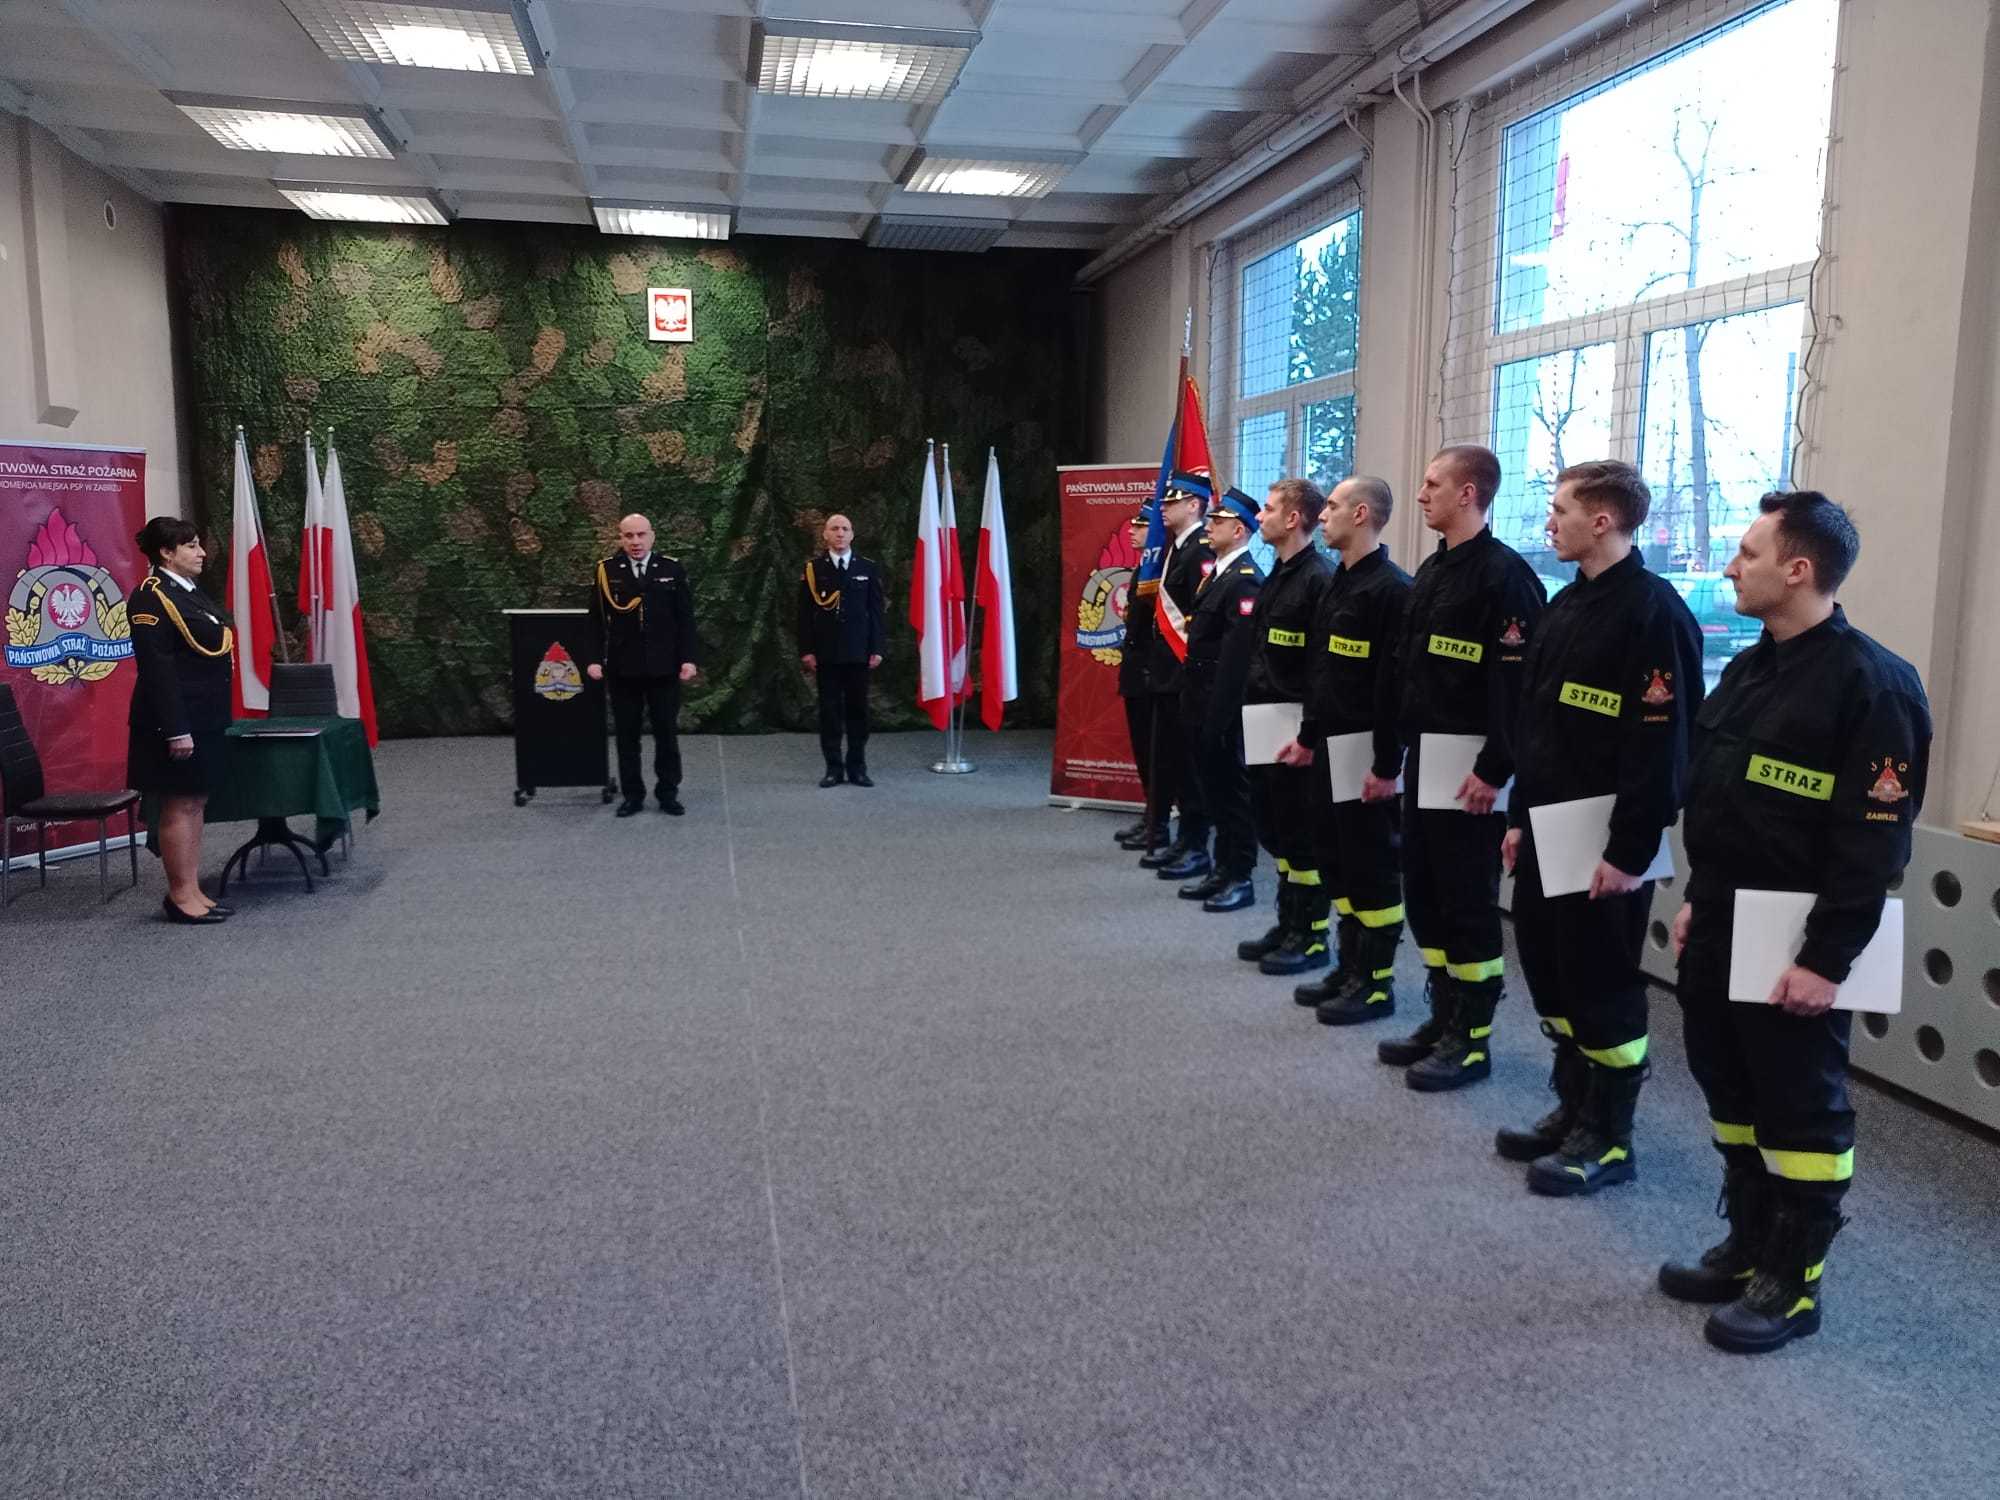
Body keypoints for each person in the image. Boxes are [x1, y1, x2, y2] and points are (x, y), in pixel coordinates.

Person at [1661, 491, 1928, 1354]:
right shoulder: (1750, 670)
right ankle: (1749, 1242)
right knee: (1729, 1086)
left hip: (1798, 939)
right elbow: (1726, 802)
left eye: (1747, 553)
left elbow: (1873, 845)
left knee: (1801, 1109)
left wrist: (1826, 961)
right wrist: (1699, 900)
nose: (1731, 567)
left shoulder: (1874, 685)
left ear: (1798, 569)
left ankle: (1795, 1278)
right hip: (1725, 918)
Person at [1495, 462, 1703, 1195]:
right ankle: (1573, 1107)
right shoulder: (1566, 604)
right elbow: (1537, 725)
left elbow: (1662, 747)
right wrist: (1518, 818)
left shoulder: (1654, 614)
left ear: (1603, 520)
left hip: (1607, 840)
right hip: (1547, 826)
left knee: (1601, 983)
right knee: (1551, 972)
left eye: (1560, 510)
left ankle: (1610, 1138)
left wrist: (1629, 851)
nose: (1549, 522)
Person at [1371, 445, 1544, 1090]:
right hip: (1427, 762)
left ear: (1468, 493)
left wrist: (1495, 769)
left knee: (1467, 903)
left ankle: (1471, 1041)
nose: (1421, 495)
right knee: (1426, 894)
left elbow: (1516, 688)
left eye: (1432, 484)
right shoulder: (1434, 570)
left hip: (1473, 773)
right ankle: (1444, 1019)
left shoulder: (1505, 577)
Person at [1281, 476, 1413, 1024]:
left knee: (1371, 866)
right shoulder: (1340, 580)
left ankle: (1376, 983)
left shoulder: (1392, 590)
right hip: (1331, 745)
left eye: (1332, 506)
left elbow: (1393, 686)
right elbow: (1324, 670)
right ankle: (1350, 966)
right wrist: (1310, 736)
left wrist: (1387, 764)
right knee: (1336, 860)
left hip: (1366, 751)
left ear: (1360, 515)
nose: (1322, 514)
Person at [1236, 477, 1336, 975]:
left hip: (1295, 724)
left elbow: (1321, 667)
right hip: (1264, 716)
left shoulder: (1318, 578)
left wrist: (1309, 734)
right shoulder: (1278, 573)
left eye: (1270, 509)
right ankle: (1288, 921)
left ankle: (1311, 935)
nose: (1260, 516)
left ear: (1294, 519)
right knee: (1275, 830)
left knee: (1302, 834)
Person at [127, 516, 234, 925]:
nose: (201, 553)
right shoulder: (151, 598)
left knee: (195, 801)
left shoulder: (187, 592)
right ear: (166, 553)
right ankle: (179, 895)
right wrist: (177, 730)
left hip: (203, 716)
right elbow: (158, 669)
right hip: (174, 722)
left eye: (199, 544)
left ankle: (192, 888)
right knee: (179, 803)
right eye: (191, 546)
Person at [1175, 487, 1264, 912]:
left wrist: (1220, 716)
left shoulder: (1245, 579)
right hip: (1200, 697)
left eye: (1218, 521)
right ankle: (1222, 867)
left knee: (1233, 793)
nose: (1209, 525)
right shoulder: (1218, 574)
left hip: (1221, 704)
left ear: (1239, 530)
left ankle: (1240, 874)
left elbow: (1236, 657)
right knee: (1214, 790)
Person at [587, 513, 697, 816]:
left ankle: (668, 792)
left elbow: (685, 619)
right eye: (629, 536)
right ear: (621, 539)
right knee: (627, 736)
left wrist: (688, 658)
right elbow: (595, 621)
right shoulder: (607, 571)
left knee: (666, 733)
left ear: (652, 536)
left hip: (664, 666)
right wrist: (594, 659)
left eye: (641, 535)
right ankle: (632, 795)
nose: (635, 541)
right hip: (623, 667)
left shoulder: (671, 568)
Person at [1139, 473, 1215, 877]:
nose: (1163, 508)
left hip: (1186, 675)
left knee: (1191, 766)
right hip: (1169, 674)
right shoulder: (1178, 548)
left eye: (1173, 502)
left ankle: (1196, 844)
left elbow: (1199, 616)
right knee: (1176, 763)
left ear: (1194, 505)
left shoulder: (1199, 549)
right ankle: (1185, 840)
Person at [797, 513, 886, 787]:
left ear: (852, 534)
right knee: (830, 712)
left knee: (859, 711)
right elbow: (803, 615)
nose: (840, 533)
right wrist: (807, 650)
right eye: (834, 528)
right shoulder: (814, 570)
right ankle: (833, 768)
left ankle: (857, 767)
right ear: (825, 535)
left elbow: (876, 612)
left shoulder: (867, 568)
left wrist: (877, 648)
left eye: (845, 529)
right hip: (827, 653)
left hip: (859, 652)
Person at [1114, 504, 1160, 851]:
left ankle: (1157, 820)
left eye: (1141, 526)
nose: (1131, 531)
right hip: (1135, 670)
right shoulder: (1143, 567)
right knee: (1143, 752)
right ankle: (1151, 815)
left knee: (1154, 753)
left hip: (1150, 674)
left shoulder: (1159, 571)